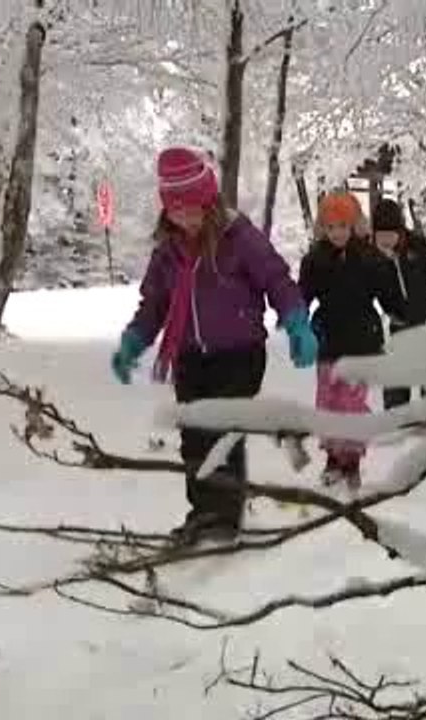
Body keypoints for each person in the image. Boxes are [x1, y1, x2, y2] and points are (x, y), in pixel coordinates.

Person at [111, 146, 318, 545]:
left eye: (192, 208)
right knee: (194, 435)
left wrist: (296, 322)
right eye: (176, 210)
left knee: (223, 432)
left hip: (239, 353)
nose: (185, 217)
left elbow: (276, 279)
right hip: (191, 356)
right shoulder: (167, 252)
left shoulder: (239, 238)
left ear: (209, 201)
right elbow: (153, 305)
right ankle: (203, 511)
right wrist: (132, 343)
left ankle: (224, 516)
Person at [298, 192, 405, 489]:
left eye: (343, 226)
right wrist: (296, 320)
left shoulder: (369, 258)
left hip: (362, 341)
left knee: (351, 404)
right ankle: (333, 459)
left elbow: (389, 295)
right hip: (328, 340)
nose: (337, 233)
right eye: (331, 227)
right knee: (328, 403)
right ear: (323, 228)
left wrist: (401, 312)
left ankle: (352, 461)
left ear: (355, 225)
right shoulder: (314, 259)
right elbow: (301, 296)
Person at [371, 198, 426, 409]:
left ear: (401, 232)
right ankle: (397, 418)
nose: (386, 241)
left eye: (391, 235)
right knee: (397, 376)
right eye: (381, 236)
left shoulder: (415, 245)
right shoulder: (373, 259)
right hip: (399, 325)